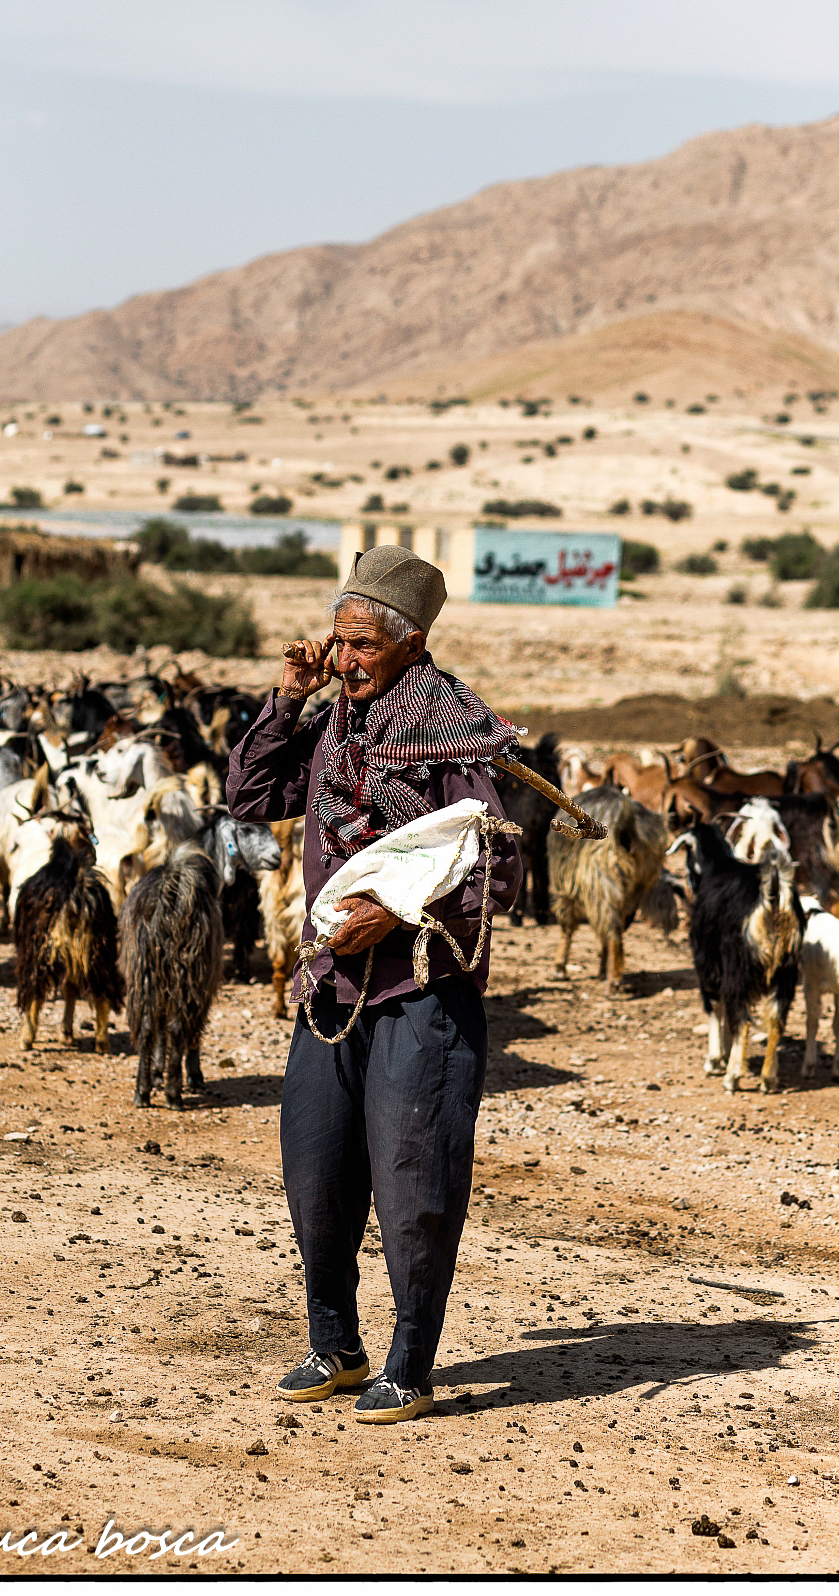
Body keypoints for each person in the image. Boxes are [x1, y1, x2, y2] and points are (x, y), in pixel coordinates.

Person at [226, 544, 523, 1424]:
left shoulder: (455, 726)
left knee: (412, 1179)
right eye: (336, 640)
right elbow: (250, 797)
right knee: (314, 1167)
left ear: (410, 640)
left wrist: (393, 913)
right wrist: (287, 701)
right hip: (329, 990)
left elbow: (496, 864)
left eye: (360, 644)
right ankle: (336, 1345)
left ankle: (410, 1362)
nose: (343, 660)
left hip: (421, 993)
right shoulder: (335, 724)